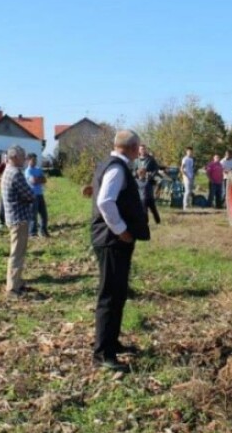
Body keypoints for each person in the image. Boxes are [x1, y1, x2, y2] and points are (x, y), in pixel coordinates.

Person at [90, 129, 150, 371]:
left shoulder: (112, 163)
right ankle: (103, 354)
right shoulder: (117, 168)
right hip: (111, 240)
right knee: (110, 295)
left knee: (118, 293)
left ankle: (112, 343)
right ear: (134, 148)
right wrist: (121, 229)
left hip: (113, 240)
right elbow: (105, 201)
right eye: (139, 148)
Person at [1, 145, 36, 297]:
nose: (25, 159)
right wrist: (32, 195)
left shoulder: (7, 171)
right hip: (19, 218)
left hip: (12, 217)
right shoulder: (16, 174)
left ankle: (17, 282)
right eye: (23, 156)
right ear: (14, 157)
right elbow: (29, 194)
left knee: (18, 251)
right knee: (17, 253)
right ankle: (13, 288)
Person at [25, 153, 49, 237]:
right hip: (32, 195)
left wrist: (38, 179)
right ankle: (32, 233)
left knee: (44, 214)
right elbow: (33, 181)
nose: (35, 161)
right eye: (33, 160)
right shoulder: (28, 171)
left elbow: (44, 180)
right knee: (33, 215)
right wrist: (39, 179)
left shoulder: (38, 169)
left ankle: (43, 231)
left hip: (40, 194)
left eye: (35, 160)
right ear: (28, 161)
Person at [0, 158, 7, 228]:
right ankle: (1, 221)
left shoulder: (13, 166)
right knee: (2, 205)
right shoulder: (3, 165)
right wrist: (1, 178)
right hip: (4, 187)